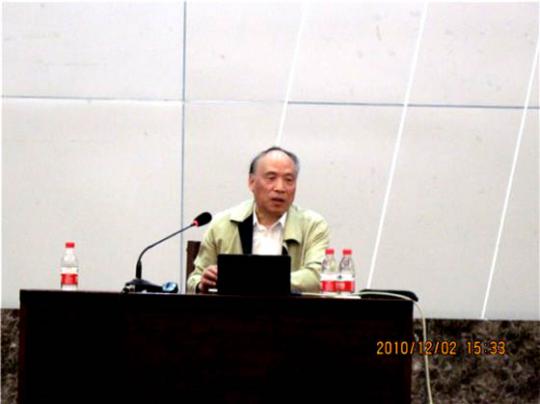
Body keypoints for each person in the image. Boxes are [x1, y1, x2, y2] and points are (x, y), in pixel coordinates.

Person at [187, 146, 330, 294]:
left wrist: (251, 279)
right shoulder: (222, 224)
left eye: (289, 180)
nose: (280, 188)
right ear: (251, 182)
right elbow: (193, 281)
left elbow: (317, 277)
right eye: (271, 178)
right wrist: (202, 283)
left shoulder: (313, 225)